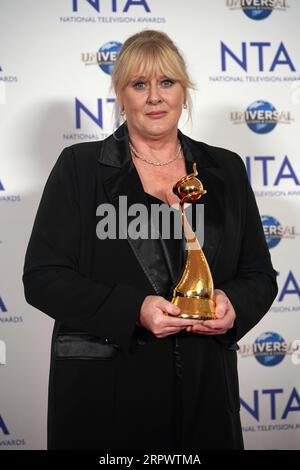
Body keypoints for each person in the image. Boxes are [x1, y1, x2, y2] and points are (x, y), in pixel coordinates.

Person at [23, 30, 278, 450]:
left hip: (205, 396)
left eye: (167, 82)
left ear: (184, 91)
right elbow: (43, 277)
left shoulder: (225, 170)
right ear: (121, 96)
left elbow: (258, 275)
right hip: (108, 398)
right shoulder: (80, 168)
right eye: (139, 85)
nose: (155, 97)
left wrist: (233, 304)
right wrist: (133, 309)